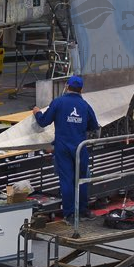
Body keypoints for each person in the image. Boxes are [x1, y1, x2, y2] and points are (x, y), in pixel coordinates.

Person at [34, 74, 99, 220]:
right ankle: (83, 210)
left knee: (67, 180)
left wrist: (37, 113)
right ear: (81, 89)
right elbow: (93, 126)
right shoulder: (85, 106)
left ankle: (69, 214)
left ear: (67, 86)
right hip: (80, 147)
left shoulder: (58, 102)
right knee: (81, 179)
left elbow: (44, 121)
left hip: (63, 148)